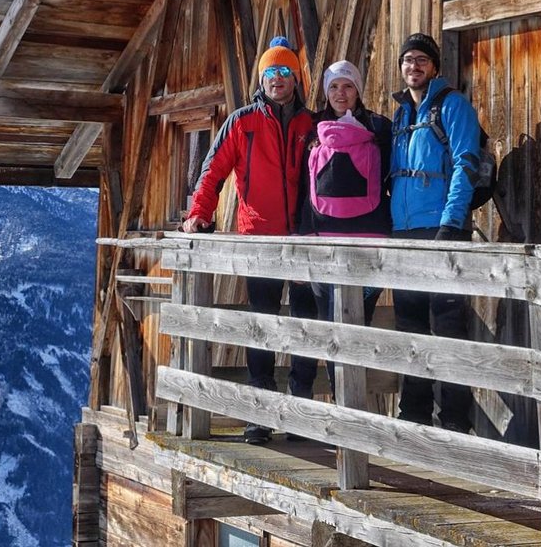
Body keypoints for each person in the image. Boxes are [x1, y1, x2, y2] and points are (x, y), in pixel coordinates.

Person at [181, 36, 318, 443]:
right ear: (262, 79)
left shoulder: (311, 124)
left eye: (284, 70)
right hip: (259, 239)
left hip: (305, 240)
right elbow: (213, 170)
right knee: (262, 325)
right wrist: (198, 215)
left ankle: (302, 409)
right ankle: (260, 412)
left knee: (305, 326)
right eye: (271, 71)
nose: (278, 78)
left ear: (295, 77)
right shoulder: (242, 122)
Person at [388, 31, 483, 433]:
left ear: (435, 67)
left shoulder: (453, 106)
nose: (414, 66)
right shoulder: (400, 116)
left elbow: (466, 163)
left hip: (441, 230)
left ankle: (456, 421)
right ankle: (413, 415)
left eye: (421, 60)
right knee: (410, 326)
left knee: (447, 327)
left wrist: (450, 222)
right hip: (403, 232)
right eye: (408, 60)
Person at [298, 59, 391, 395]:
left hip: (368, 243)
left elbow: (391, 179)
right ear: (326, 92)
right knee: (329, 325)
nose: (341, 93)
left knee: (359, 325)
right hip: (323, 242)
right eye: (334, 86)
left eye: (348, 86)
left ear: (358, 91)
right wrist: (304, 236)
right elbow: (302, 189)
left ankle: (350, 403)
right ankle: (341, 399)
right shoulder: (312, 130)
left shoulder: (381, 129)